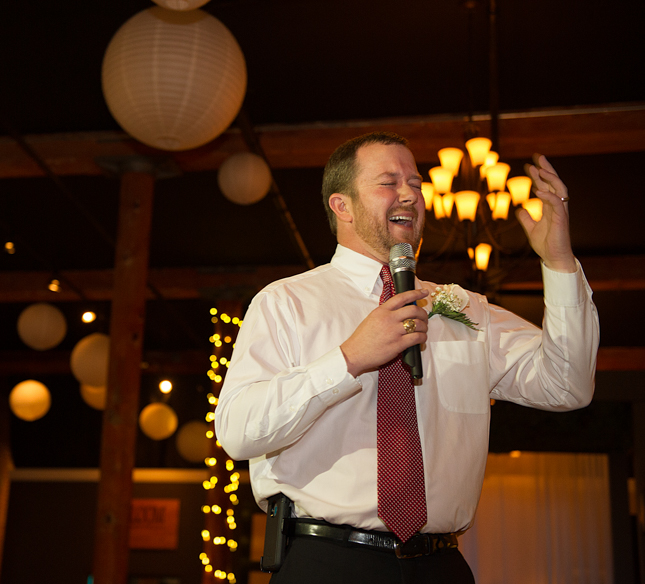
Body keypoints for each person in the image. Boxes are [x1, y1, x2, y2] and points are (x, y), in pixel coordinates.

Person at [214, 131, 599, 583]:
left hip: (440, 566)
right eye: (388, 182)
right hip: (326, 561)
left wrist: (559, 261)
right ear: (343, 206)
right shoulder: (286, 303)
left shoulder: (463, 307)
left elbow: (568, 386)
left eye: (415, 183)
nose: (409, 194)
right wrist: (349, 358)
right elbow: (237, 432)